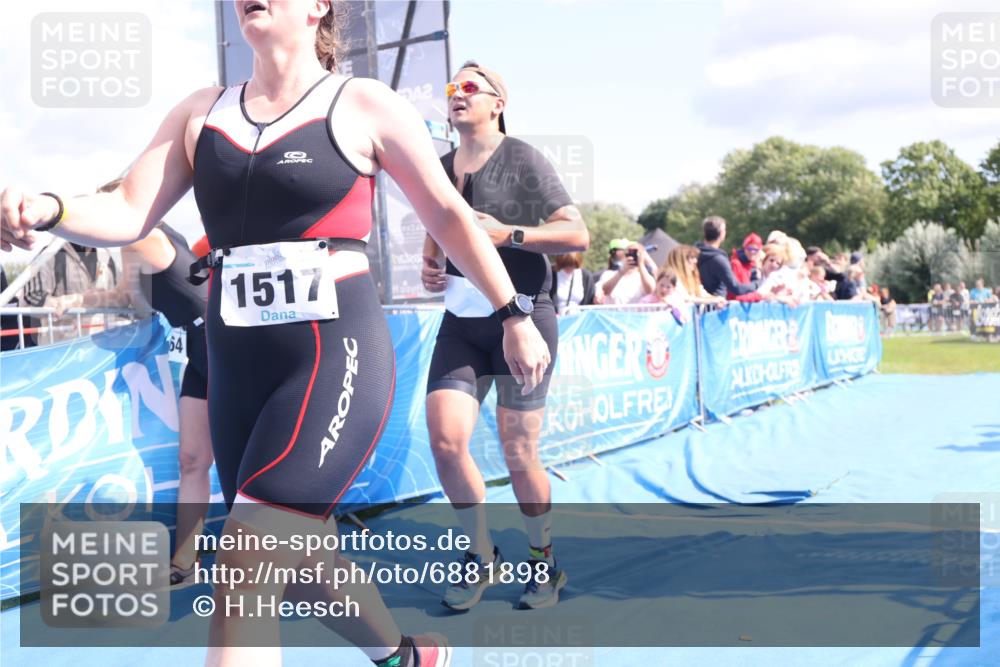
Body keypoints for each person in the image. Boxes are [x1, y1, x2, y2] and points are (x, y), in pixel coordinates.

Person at [2, 2, 554, 666]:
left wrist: (512, 314)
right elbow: (126, 208)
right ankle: (406, 655)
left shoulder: (364, 104)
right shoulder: (200, 112)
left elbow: (449, 215)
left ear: (321, 5)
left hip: (330, 357)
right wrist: (51, 207)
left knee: (245, 558)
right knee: (298, 554)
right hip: (238, 371)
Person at [419, 60, 588, 612]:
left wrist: (511, 233)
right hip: (462, 323)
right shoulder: (439, 165)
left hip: (524, 319)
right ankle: (479, 556)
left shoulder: (522, 158)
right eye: (452, 88)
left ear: (498, 103)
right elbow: (437, 226)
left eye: (471, 88)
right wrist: (429, 262)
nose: (457, 94)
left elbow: (577, 232)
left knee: (519, 452)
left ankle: (544, 563)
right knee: (446, 442)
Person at [695, 216, 759, 298]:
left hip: (699, 304)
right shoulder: (719, 259)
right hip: (717, 305)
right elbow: (736, 288)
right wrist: (756, 284)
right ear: (722, 233)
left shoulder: (693, 254)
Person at [728, 232, 763, 302]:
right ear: (744, 248)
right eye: (749, 248)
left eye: (756, 249)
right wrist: (760, 296)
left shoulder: (756, 265)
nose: (752, 252)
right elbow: (737, 295)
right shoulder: (735, 264)